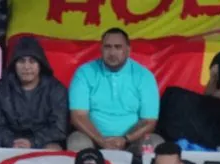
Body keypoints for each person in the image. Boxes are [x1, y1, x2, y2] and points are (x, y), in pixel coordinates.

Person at [67, 28, 161, 156]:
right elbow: (78, 116)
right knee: (76, 142)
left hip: (132, 141)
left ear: (128, 50)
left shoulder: (144, 76)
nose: (112, 53)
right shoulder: (85, 73)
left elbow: (149, 121)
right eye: (108, 47)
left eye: (118, 47)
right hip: (93, 139)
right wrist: (101, 141)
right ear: (101, 49)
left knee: (154, 143)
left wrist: (125, 139)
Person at [0, 36, 67, 150]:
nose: (26, 67)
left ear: (40, 64)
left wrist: (32, 142)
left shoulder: (56, 90)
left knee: (53, 148)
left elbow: (59, 128)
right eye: (21, 61)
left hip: (42, 143)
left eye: (32, 61)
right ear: (14, 64)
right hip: (8, 145)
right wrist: (12, 142)